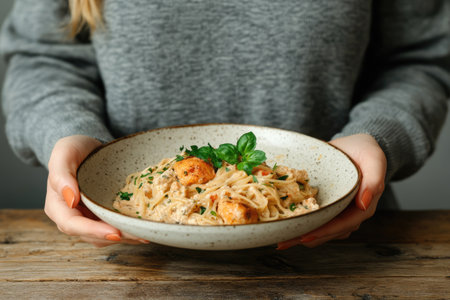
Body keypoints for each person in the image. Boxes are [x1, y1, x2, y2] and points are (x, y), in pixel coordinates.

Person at [1, 0, 449, 248]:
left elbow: (422, 58)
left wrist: (378, 132)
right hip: (124, 253)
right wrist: (66, 129)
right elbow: (43, 55)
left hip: (343, 250)